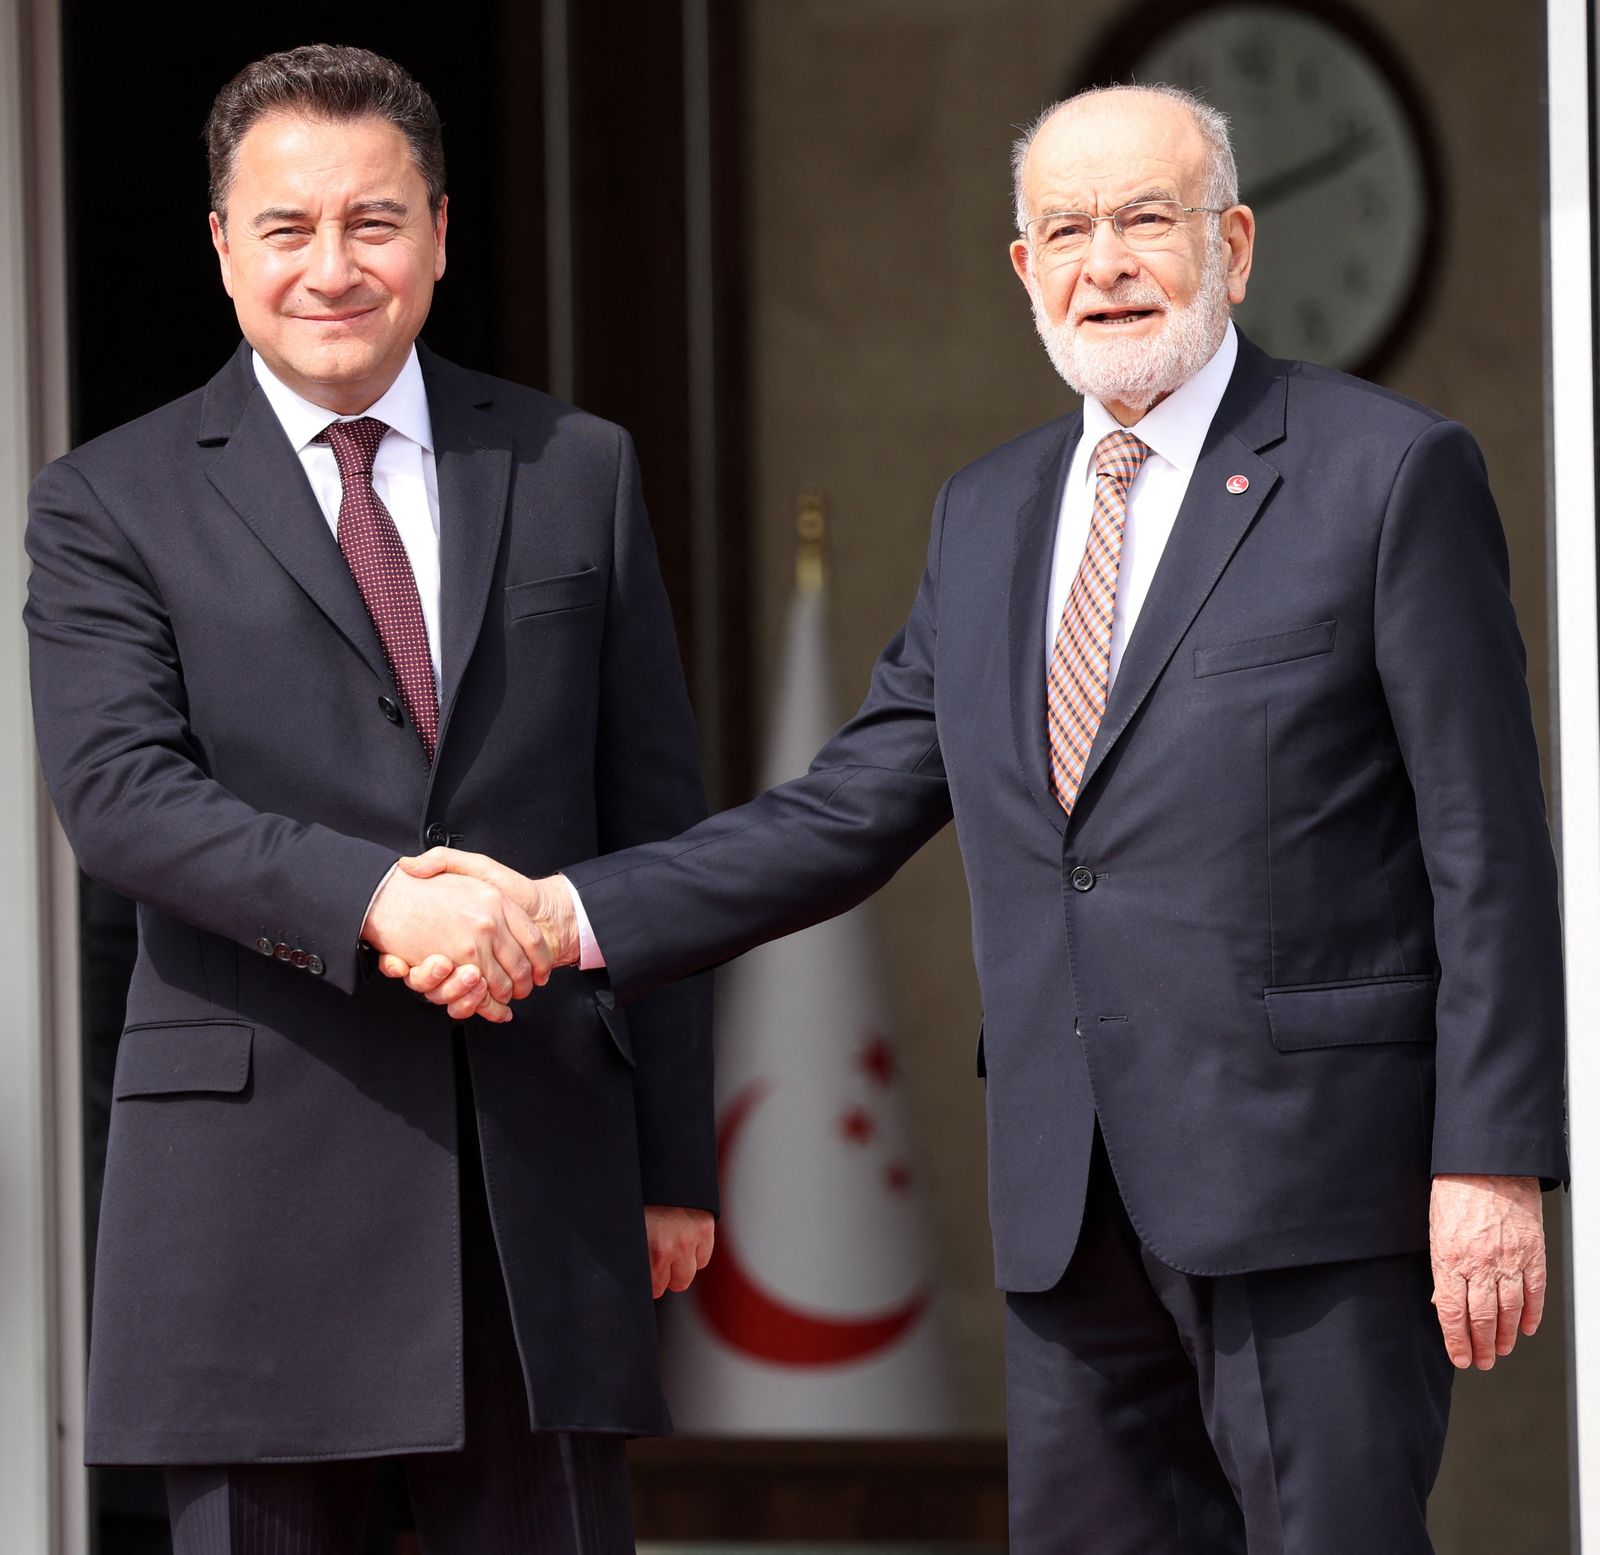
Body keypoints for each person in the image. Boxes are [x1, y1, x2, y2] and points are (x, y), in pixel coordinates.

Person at [388, 84, 1567, 1552]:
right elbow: (852, 804)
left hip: (1314, 1195)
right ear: (1023, 270)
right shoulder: (990, 512)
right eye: (1065, 229)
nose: (1107, 261)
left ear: (1238, 246)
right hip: (1068, 1207)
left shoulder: (1387, 474)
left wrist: (1492, 1158)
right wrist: (565, 915)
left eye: (1148, 218)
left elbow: (1488, 845)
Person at [25, 43, 716, 1555]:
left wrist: (671, 1162)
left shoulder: (573, 465)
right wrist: (376, 895)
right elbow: (123, 798)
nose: (332, 266)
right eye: (286, 228)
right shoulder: (108, 502)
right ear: (221, 247)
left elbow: (650, 815)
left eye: (375, 221)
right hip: (252, 1211)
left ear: (442, 233)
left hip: (536, 1199)